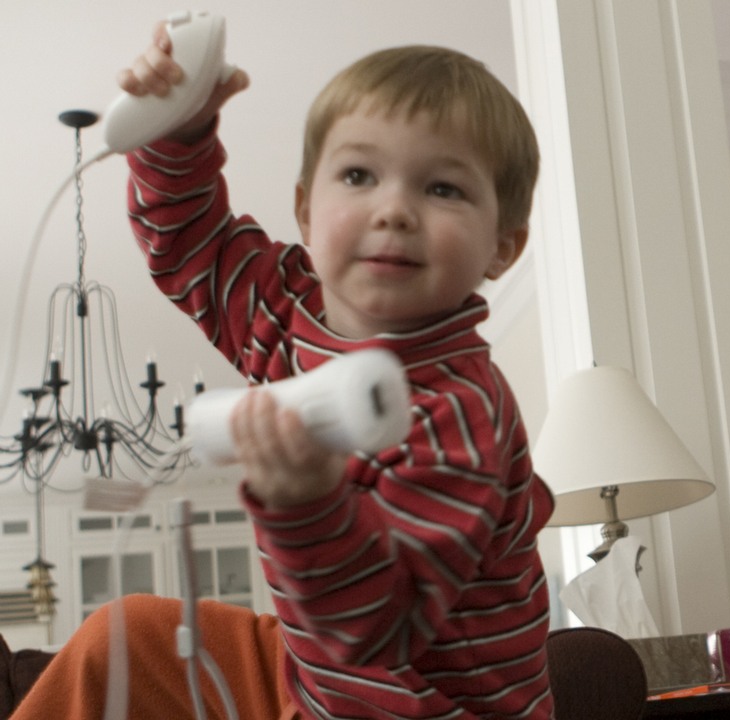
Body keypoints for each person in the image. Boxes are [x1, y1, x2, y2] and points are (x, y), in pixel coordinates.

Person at [14, 22, 554, 720]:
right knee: (125, 636)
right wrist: (179, 129)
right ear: (304, 207)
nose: (393, 211)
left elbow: (375, 628)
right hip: (309, 674)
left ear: (502, 247)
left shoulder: (462, 411)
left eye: (443, 189)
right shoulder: (285, 305)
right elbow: (187, 245)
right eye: (359, 175)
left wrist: (309, 501)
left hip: (419, 702)